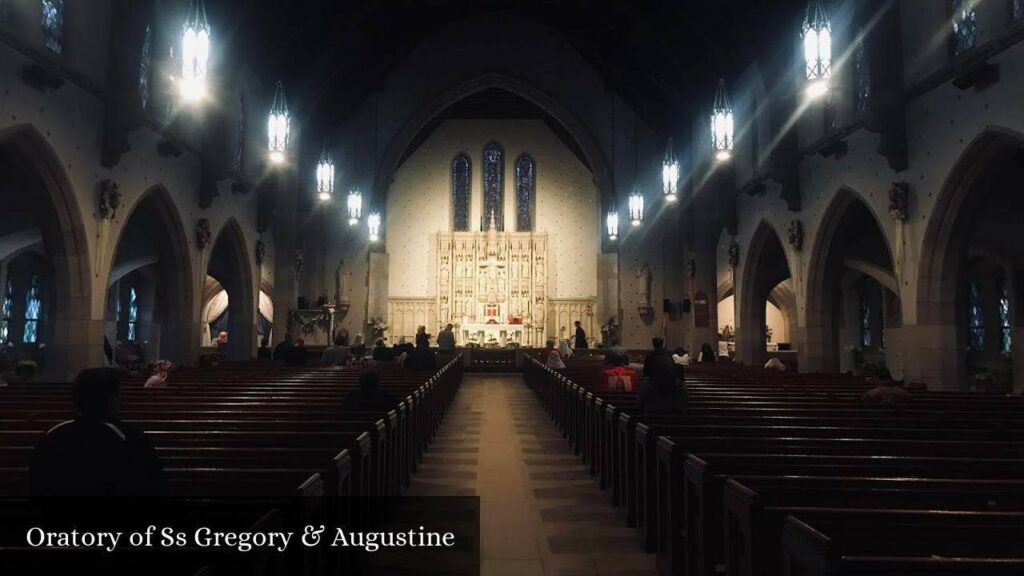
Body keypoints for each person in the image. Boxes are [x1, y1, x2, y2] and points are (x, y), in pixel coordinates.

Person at [31, 368, 167, 502]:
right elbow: (153, 484)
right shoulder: (131, 438)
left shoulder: (53, 436)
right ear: (113, 399)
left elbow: (36, 484)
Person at [640, 337, 685, 414]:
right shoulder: (670, 355)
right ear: (662, 343)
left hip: (654, 387)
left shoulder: (650, 356)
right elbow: (679, 372)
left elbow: (646, 372)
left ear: (653, 344)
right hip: (672, 388)